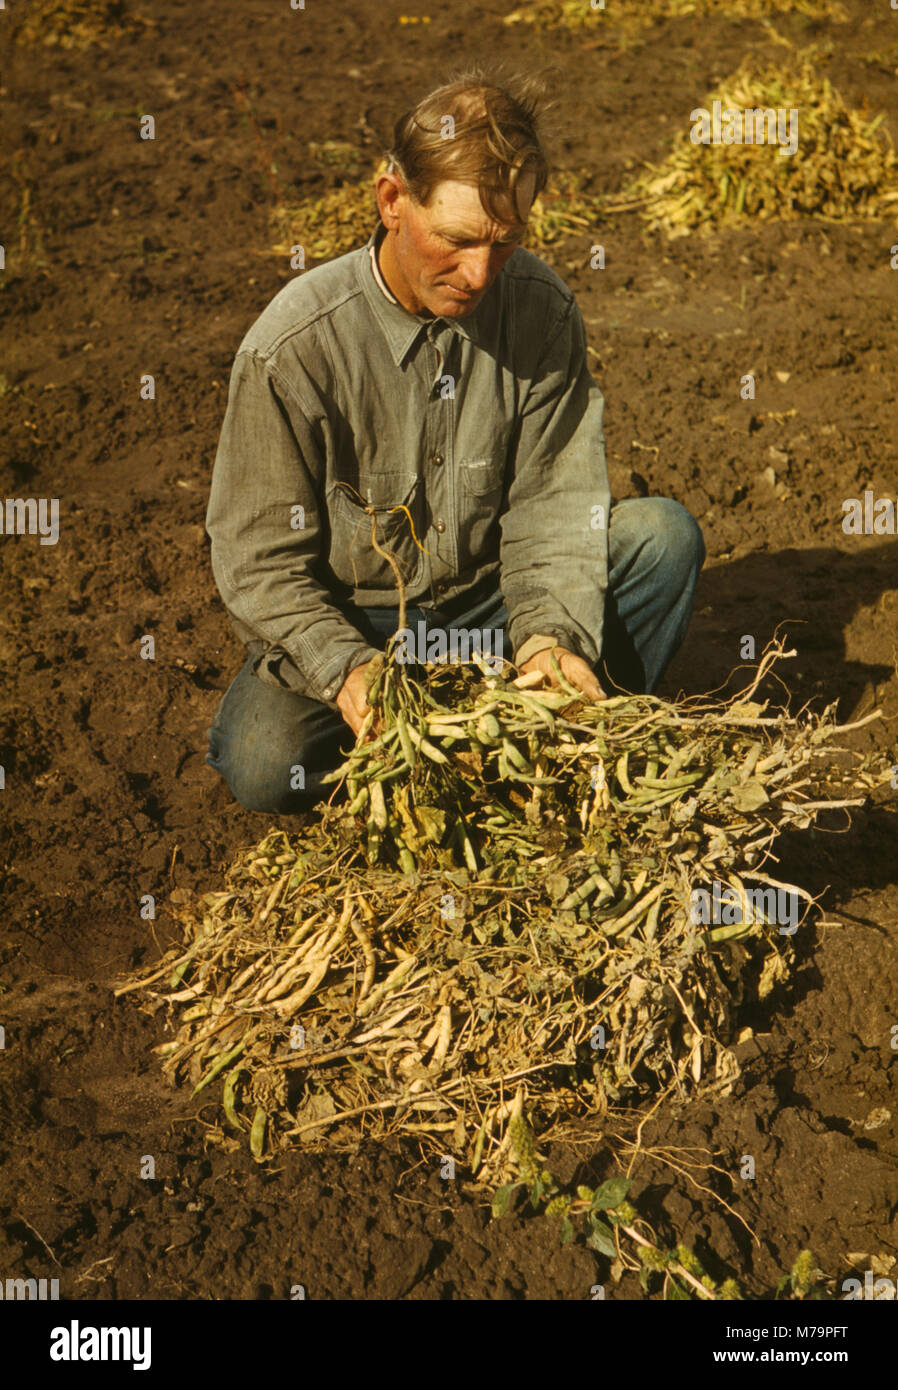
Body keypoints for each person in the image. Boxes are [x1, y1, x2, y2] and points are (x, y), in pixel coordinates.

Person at [205, 69, 705, 814]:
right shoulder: (294, 349)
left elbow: (554, 507)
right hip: (359, 619)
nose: (478, 274)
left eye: (503, 245)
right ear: (391, 202)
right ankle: (421, 750)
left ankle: (543, 743)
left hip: (489, 607)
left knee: (662, 540)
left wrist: (548, 637)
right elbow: (256, 563)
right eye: (457, 240)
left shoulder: (540, 313)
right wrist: (347, 670)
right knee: (262, 760)